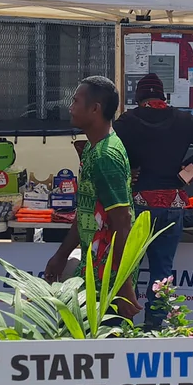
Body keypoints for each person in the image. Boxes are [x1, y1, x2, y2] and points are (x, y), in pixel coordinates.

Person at [113, 72, 193, 329]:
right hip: (172, 205)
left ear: (139, 97)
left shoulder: (127, 121)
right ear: (163, 96)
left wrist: (129, 171)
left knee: (128, 268)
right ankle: (154, 324)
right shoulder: (183, 120)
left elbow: (111, 151)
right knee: (162, 270)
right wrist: (187, 169)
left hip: (138, 204)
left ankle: (121, 324)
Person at [44, 76, 139, 318]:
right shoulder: (91, 149)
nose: (70, 107)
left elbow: (123, 222)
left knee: (103, 335)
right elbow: (87, 210)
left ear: (95, 109)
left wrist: (124, 284)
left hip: (108, 273)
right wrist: (61, 255)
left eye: (76, 101)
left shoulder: (106, 157)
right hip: (92, 267)